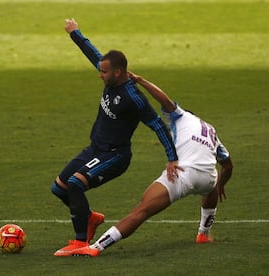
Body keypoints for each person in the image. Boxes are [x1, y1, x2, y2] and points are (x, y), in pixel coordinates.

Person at [52, 19, 183, 257]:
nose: (99, 75)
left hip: (115, 155)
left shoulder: (133, 97)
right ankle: (90, 218)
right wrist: (75, 32)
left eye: (103, 71)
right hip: (95, 149)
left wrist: (172, 158)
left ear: (118, 72)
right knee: (59, 188)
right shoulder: (110, 75)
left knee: (74, 184)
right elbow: (93, 53)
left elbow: (158, 126)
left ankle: (80, 242)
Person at [72, 72, 233, 257]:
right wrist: (220, 185)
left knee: (142, 210)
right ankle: (203, 234)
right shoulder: (211, 130)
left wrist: (140, 81)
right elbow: (227, 165)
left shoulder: (181, 117)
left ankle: (95, 247)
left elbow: (165, 100)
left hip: (182, 174)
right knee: (211, 187)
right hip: (207, 177)